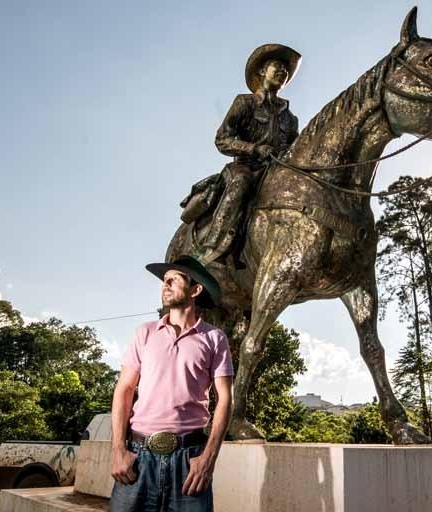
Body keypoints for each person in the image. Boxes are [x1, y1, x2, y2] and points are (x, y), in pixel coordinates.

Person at [109, 255, 233, 512]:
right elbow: (124, 390)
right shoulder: (144, 332)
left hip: (189, 461)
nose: (164, 286)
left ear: (195, 290)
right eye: (163, 281)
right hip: (138, 458)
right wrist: (118, 449)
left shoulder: (214, 338)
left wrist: (208, 459)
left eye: (173, 281)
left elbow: (225, 400)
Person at [199, 43, 302, 262]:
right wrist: (254, 149)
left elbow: (296, 149)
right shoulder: (244, 103)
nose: (283, 71)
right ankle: (212, 246)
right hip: (244, 167)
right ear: (263, 71)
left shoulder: (290, 118)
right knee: (241, 184)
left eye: (286, 70)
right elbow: (222, 140)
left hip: (275, 171)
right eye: (277, 66)